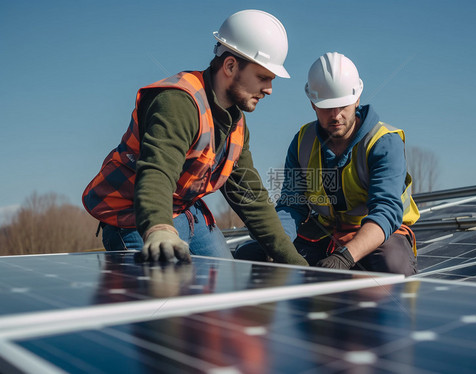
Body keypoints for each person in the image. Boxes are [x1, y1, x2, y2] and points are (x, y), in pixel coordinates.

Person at [82, 10, 308, 266]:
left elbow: (250, 195)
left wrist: (296, 264)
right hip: (135, 214)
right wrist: (158, 228)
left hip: (185, 212)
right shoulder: (178, 103)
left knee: (220, 283)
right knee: (168, 291)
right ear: (230, 66)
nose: (269, 89)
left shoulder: (236, 125)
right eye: (263, 77)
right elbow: (157, 172)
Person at [235, 52, 420, 276]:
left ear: (357, 99)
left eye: (343, 105)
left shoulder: (383, 142)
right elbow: (293, 204)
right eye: (326, 106)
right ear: (312, 103)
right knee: (254, 253)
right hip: (325, 232)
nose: (336, 115)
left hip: (377, 233)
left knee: (391, 266)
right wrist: (278, 245)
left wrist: (345, 256)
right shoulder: (303, 141)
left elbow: (385, 211)